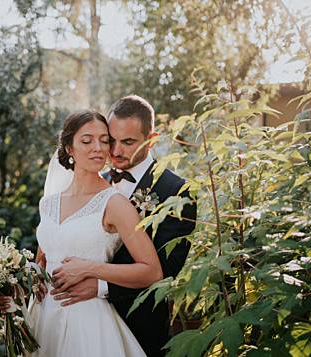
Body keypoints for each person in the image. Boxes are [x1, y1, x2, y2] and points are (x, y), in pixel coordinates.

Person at [49, 95, 196, 356]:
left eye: (128, 142)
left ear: (151, 139)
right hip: (79, 324)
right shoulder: (96, 181)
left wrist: (100, 286)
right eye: (111, 140)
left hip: (140, 324)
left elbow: (166, 269)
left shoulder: (177, 191)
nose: (115, 151)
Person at [28, 110, 161, 356]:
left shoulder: (115, 203)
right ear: (69, 148)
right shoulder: (48, 203)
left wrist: (90, 269)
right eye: (87, 141)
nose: (98, 148)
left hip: (88, 323)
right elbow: (42, 262)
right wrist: (17, 288)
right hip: (44, 319)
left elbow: (152, 271)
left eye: (104, 140)